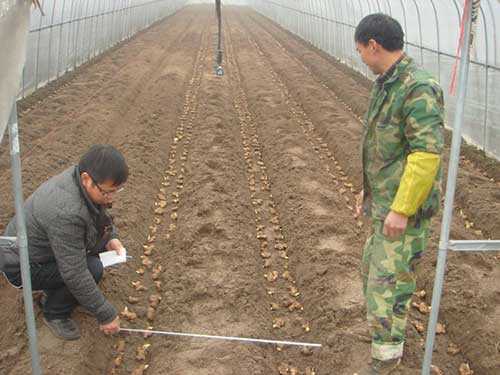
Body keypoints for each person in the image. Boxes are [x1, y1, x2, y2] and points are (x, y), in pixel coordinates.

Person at [354, 14, 444, 374]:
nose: (360, 56)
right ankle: (391, 340)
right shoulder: (387, 83)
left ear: (374, 46)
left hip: (401, 211)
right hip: (385, 203)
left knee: (384, 287)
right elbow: (385, 146)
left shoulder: (417, 87)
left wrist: (401, 209)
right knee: (374, 273)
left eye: (360, 50)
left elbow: (425, 156)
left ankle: (386, 363)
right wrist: (369, 190)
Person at [1, 144, 128, 340]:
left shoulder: (79, 179)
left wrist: (110, 238)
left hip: (42, 249)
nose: (111, 198)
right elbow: (75, 272)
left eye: (117, 191)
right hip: (22, 264)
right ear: (87, 179)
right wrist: (106, 314)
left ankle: (56, 290)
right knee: (92, 268)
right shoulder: (66, 211)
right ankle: (53, 311)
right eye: (107, 192)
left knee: (95, 249)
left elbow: (98, 214)